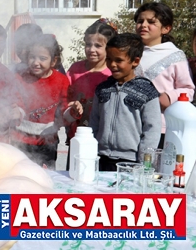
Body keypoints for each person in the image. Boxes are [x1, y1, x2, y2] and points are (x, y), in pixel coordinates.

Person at [90, 34, 161, 171]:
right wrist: (90, 151)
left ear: (135, 61)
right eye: (109, 59)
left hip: (131, 161)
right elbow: (94, 122)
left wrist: (144, 162)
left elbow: (152, 129)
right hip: (101, 157)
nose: (112, 65)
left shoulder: (147, 91)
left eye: (118, 60)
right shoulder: (102, 89)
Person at [12, 34, 82, 168]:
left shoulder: (61, 80)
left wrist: (73, 112)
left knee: (46, 177)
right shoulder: (19, 77)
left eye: (42, 58)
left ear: (54, 61)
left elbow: (64, 112)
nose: (36, 62)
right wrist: (16, 112)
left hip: (48, 141)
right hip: (21, 139)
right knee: (21, 173)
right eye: (32, 57)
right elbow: (17, 102)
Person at [133, 2, 194, 147]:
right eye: (140, 21)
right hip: (131, 125)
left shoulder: (175, 55)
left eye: (151, 22)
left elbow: (188, 89)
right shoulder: (130, 52)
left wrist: (167, 97)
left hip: (161, 126)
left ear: (166, 28)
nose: (144, 25)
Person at [65, 19, 117, 169]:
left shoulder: (112, 73)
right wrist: (71, 109)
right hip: (77, 137)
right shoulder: (75, 69)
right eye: (88, 44)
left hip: (103, 141)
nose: (91, 49)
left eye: (98, 45)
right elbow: (65, 98)